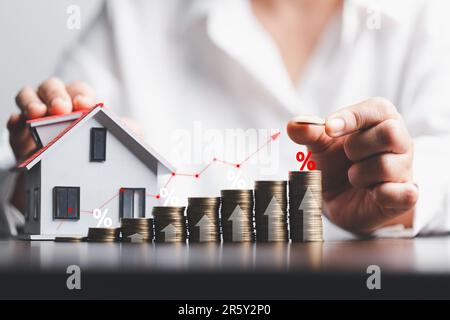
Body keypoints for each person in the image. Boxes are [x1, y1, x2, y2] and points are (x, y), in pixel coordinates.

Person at [2, 0, 450, 237]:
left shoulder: (428, 17)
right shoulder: (134, 14)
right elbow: (29, 179)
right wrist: (39, 174)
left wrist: (396, 192)